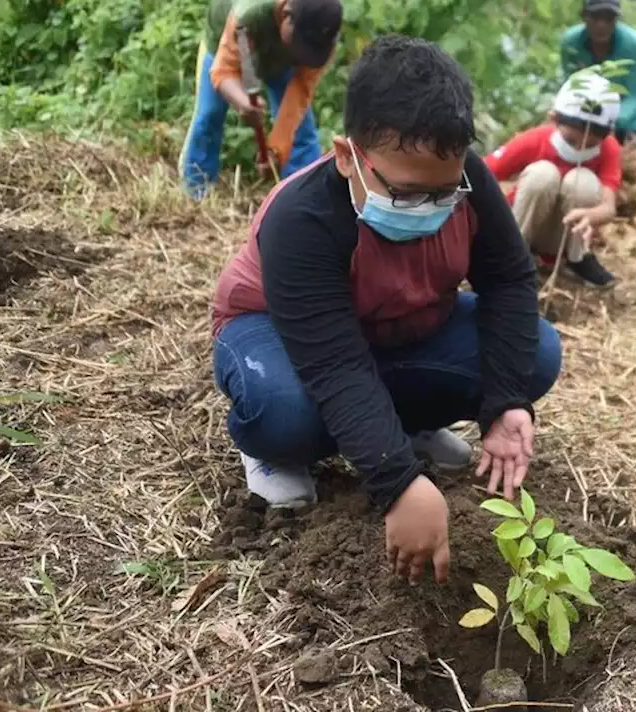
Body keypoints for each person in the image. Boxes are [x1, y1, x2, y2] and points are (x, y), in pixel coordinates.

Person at [209, 35, 562, 583]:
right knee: (282, 413)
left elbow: (510, 281)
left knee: (534, 353)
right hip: (281, 335)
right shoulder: (302, 219)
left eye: (445, 193)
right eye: (407, 193)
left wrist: (505, 403)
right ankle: (280, 452)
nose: (433, 209)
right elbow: (334, 363)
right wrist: (397, 481)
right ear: (350, 156)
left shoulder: (468, 182)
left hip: (395, 333)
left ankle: (401, 422)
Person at [179, 0, 342, 200]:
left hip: (278, 54)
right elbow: (223, 71)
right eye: (300, 45)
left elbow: (300, 92)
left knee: (300, 130)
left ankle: (306, 199)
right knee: (209, 115)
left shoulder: (323, 26)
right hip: (225, 41)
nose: (305, 56)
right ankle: (195, 191)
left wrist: (275, 150)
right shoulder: (250, 10)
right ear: (286, 15)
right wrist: (244, 104)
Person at [484, 71, 622, 289]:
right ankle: (514, 252)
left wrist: (592, 215)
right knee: (543, 174)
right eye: (572, 140)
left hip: (564, 235)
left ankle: (577, 258)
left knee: (583, 181)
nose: (580, 147)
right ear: (553, 119)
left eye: (591, 143)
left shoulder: (609, 149)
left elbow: (608, 207)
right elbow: (483, 173)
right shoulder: (535, 140)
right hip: (525, 224)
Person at [559, 0, 636, 146]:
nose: (601, 25)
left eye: (609, 18)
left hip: (628, 121)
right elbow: (571, 86)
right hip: (584, 117)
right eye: (595, 17)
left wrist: (608, 122)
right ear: (583, 17)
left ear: (617, 20)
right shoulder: (571, 42)